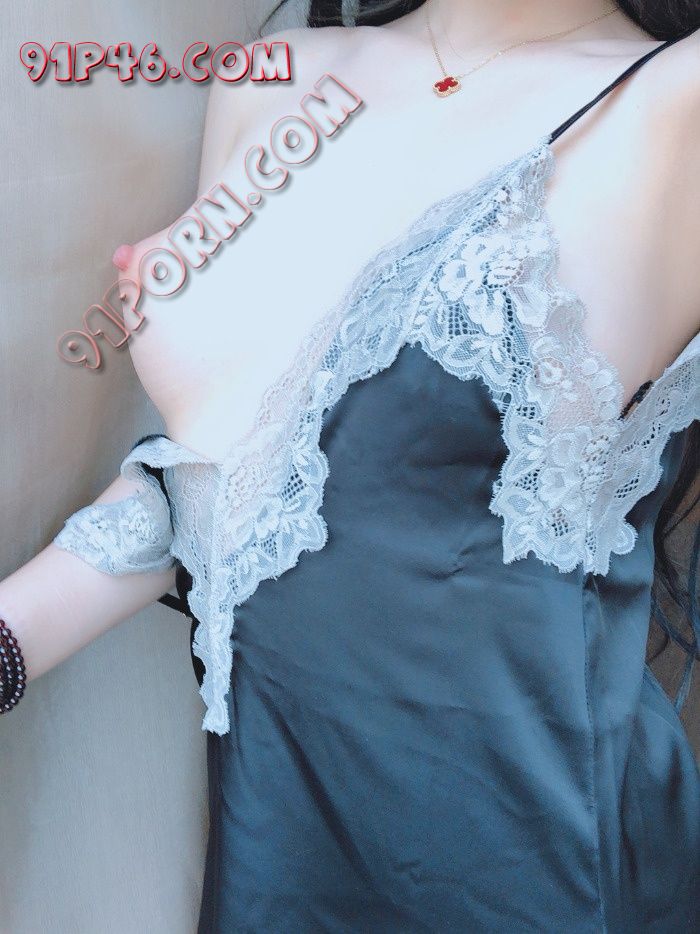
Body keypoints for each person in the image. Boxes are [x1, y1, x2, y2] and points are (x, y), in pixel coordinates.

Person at [2, 0, 699, 929]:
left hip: (533, 862)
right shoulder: (272, 82)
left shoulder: (675, 103)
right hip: (279, 848)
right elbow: (230, 497)